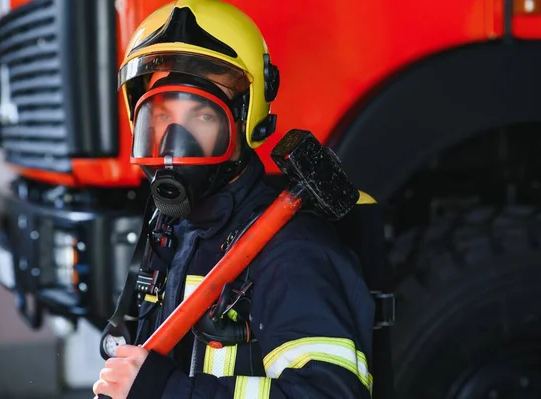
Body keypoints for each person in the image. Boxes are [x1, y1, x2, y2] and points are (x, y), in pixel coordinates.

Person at [92, 1, 375, 398]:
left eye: (202, 117)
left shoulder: (290, 253)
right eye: (159, 115)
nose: (176, 141)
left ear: (244, 121)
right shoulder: (170, 230)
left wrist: (166, 391)